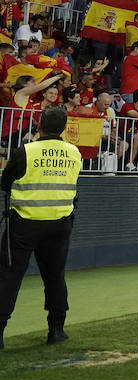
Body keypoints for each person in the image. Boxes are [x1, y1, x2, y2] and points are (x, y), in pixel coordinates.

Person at [1, 107, 81, 348]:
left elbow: (6, 183)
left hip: (25, 222)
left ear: (39, 125)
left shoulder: (24, 151)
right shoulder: (74, 152)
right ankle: (56, 330)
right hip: (59, 223)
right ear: (65, 128)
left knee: (9, 276)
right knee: (55, 276)